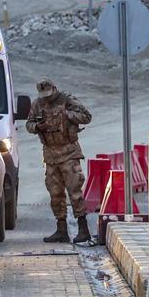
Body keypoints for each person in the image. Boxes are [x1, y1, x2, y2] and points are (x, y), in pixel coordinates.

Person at [25, 77, 93, 244]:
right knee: (55, 194)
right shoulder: (37, 104)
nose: (47, 98)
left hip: (69, 152)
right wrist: (36, 127)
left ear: (54, 88)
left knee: (74, 191)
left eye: (49, 94)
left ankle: (83, 229)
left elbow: (86, 116)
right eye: (44, 95)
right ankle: (61, 229)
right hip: (50, 156)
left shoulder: (67, 100)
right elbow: (28, 124)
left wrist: (67, 116)